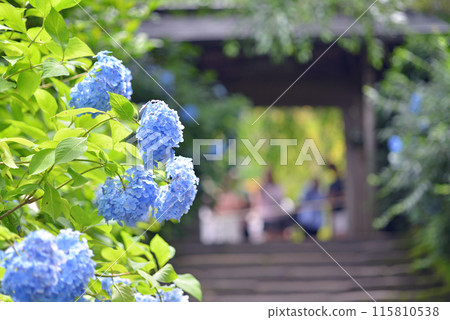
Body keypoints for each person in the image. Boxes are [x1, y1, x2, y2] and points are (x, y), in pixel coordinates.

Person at [256, 169, 290, 240]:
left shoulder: (277, 187)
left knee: (279, 234)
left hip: (277, 215)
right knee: (269, 235)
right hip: (268, 216)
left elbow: (280, 198)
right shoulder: (264, 187)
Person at [327, 164, 346, 237]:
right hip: (335, 211)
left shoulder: (341, 184)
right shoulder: (333, 185)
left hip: (341, 211)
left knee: (341, 231)